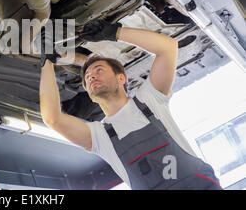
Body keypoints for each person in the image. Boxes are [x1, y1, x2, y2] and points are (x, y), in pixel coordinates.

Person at [38, 20, 222, 190]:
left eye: (99, 70)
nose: (91, 76)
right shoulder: (100, 137)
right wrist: (46, 62)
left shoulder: (150, 100)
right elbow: (52, 119)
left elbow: (168, 47)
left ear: (121, 78)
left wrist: (114, 32)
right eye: (87, 77)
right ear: (91, 96)